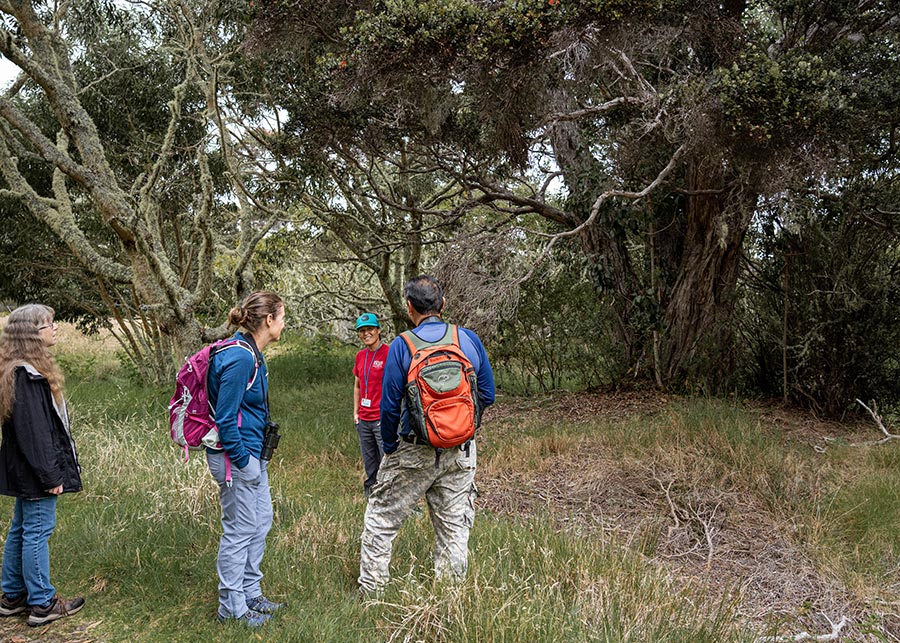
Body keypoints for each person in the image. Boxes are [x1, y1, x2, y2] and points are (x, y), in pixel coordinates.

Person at [358, 275, 495, 594]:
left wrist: (390, 447)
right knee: (454, 529)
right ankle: (449, 599)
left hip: (412, 449)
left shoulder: (402, 346)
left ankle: (374, 594)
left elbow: (389, 407)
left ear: (409, 308)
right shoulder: (468, 340)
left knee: (381, 520)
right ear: (443, 305)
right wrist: (464, 428)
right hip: (461, 452)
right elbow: (487, 394)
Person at [0, 304, 85, 627]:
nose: (55, 328)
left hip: (24, 470)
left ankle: (12, 596)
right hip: (35, 472)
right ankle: (41, 602)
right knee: (37, 531)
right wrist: (51, 475)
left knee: (21, 529)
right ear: (29, 336)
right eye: (47, 325)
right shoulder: (26, 375)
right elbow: (35, 434)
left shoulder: (16, 370)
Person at [207, 291, 286, 627]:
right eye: (282, 317)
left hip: (254, 452)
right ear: (268, 320)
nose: (284, 323)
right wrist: (245, 461)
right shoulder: (240, 358)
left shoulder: (253, 353)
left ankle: (251, 592)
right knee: (239, 530)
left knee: (261, 521)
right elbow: (225, 419)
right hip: (237, 457)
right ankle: (232, 607)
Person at [352, 313, 389, 498]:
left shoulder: (389, 353)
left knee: (387, 460)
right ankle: (371, 496)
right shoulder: (360, 356)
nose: (366, 334)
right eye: (362, 331)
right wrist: (356, 413)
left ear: (378, 330)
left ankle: (389, 496)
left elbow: (396, 386)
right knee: (369, 461)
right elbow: (358, 385)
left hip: (381, 419)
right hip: (364, 419)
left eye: (370, 329)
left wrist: (390, 415)